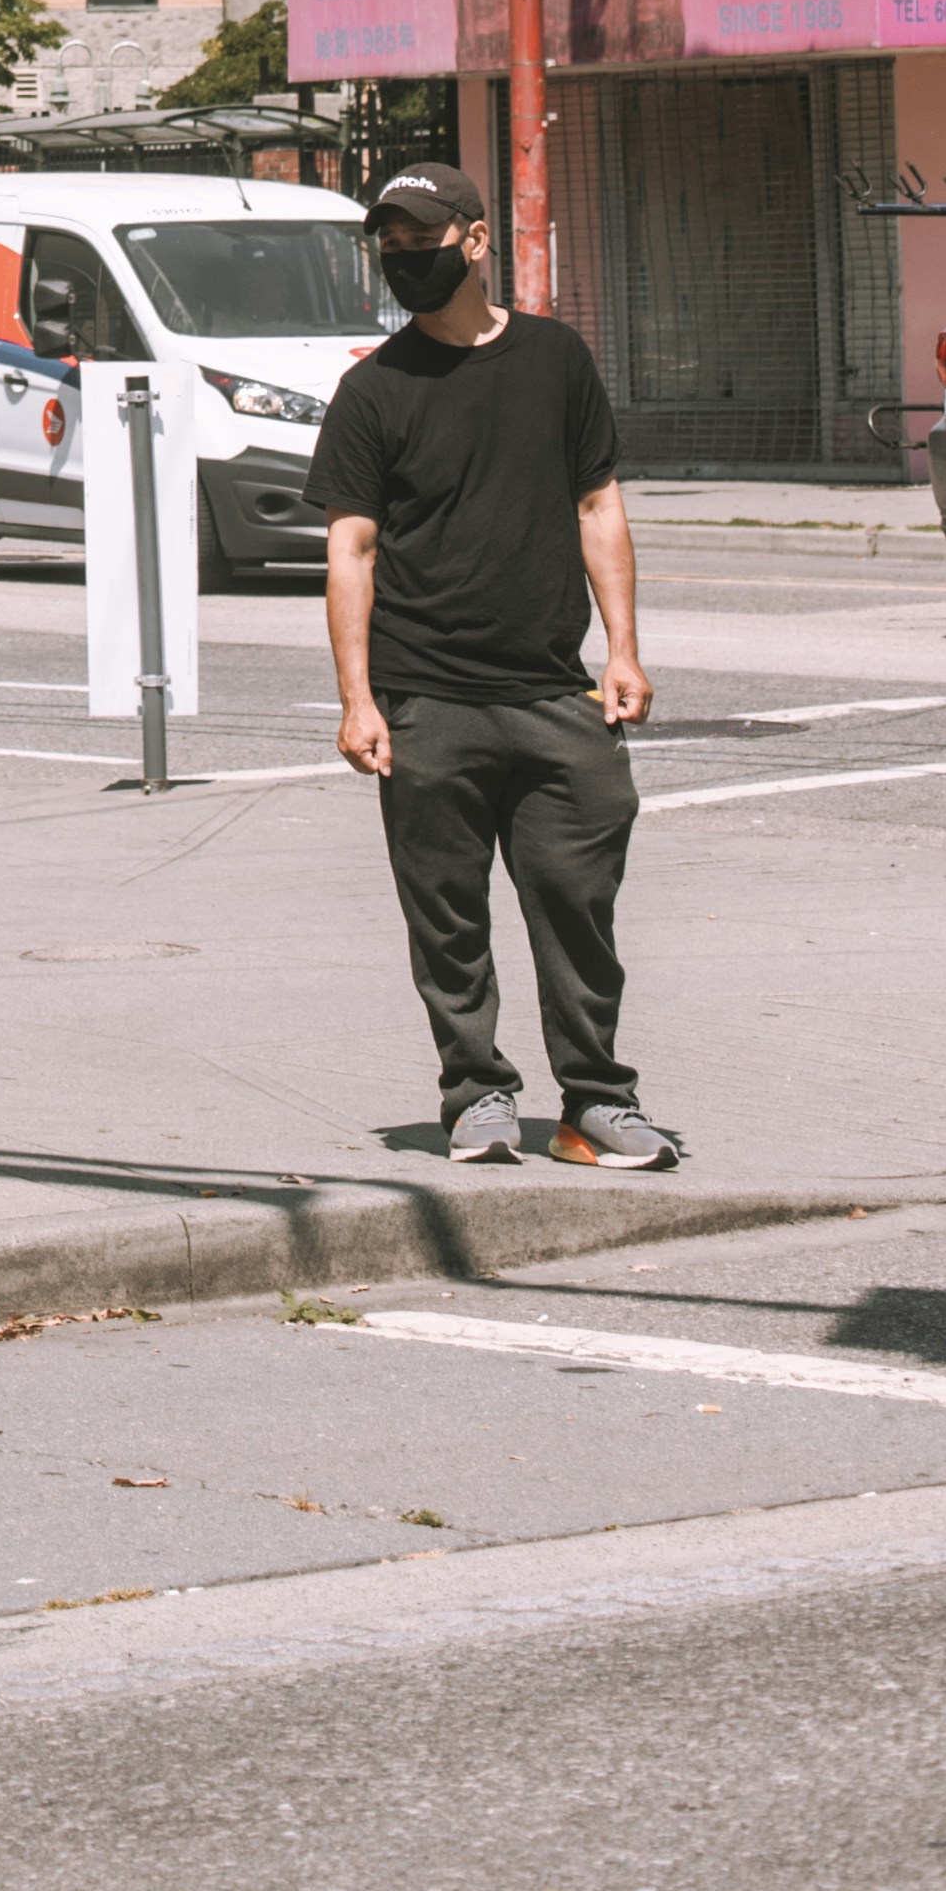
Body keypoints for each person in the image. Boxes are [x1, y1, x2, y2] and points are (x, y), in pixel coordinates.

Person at [309, 155, 675, 1172]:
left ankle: (593, 1102)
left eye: (420, 242)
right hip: (427, 699)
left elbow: (595, 504)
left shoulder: (554, 361)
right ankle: (474, 1091)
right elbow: (349, 548)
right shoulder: (371, 390)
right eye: (387, 246)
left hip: (554, 694)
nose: (403, 260)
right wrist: (357, 700)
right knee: (447, 918)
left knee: (575, 906)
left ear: (474, 241)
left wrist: (623, 651)